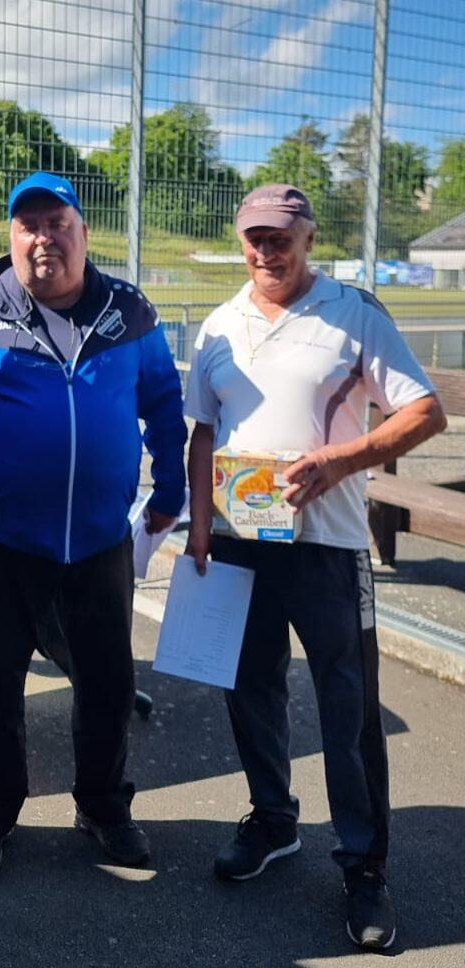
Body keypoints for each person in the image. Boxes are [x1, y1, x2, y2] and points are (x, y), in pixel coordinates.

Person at [184, 184, 446, 951]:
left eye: (281, 236)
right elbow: (203, 433)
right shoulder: (220, 323)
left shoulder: (352, 313)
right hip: (239, 537)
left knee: (347, 705)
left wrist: (341, 460)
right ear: (241, 242)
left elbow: (423, 410)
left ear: (308, 237)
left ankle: (364, 866)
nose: (267, 250)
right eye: (255, 237)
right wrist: (199, 528)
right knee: (249, 687)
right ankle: (274, 819)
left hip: (328, 548)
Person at [0, 171, 187, 880]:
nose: (43, 238)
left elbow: (163, 403)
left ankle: (103, 807)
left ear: (84, 232)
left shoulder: (130, 312)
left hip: (100, 542)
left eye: (58, 224)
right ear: (11, 237)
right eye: (29, 226)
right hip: (4, 539)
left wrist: (171, 489)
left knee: (107, 686)